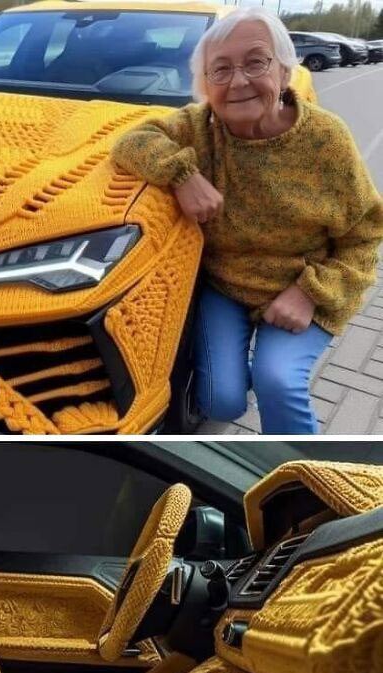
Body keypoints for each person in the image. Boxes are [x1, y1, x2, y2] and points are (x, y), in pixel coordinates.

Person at [111, 7, 383, 434]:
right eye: (220, 70)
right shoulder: (200, 127)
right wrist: (182, 174)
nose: (238, 81)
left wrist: (311, 293)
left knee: (278, 381)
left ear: (285, 68)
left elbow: (366, 235)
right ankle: (241, 374)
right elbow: (132, 141)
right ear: (205, 84)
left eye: (255, 62)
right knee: (222, 401)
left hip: (303, 284)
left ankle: (307, 479)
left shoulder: (326, 140)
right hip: (226, 286)